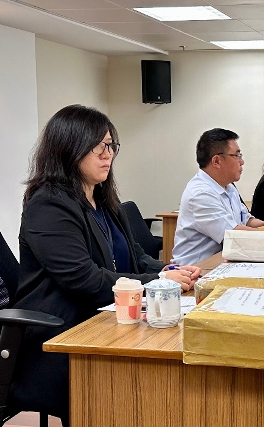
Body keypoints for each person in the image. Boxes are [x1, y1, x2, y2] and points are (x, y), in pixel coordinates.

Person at [12, 105, 199, 409]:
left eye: (111, 145)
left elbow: (135, 256)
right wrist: (158, 280)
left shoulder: (102, 198)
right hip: (61, 333)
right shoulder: (48, 205)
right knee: (163, 376)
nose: (107, 154)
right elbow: (83, 279)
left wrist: (171, 271)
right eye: (97, 146)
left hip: (105, 318)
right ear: (68, 148)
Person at [172, 128, 264, 266]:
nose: (242, 162)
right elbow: (234, 235)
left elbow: (246, 219)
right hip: (196, 270)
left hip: (222, 262)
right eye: (237, 156)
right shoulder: (201, 194)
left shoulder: (228, 187)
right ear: (216, 161)